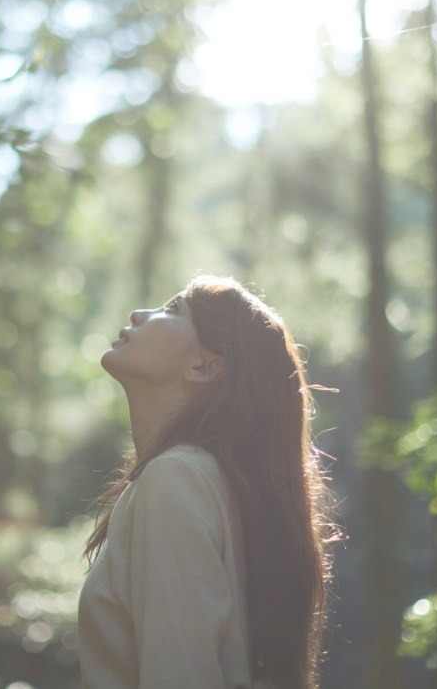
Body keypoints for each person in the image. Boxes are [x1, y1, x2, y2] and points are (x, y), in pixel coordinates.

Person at [78, 274, 332, 689]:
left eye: (172, 309)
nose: (139, 314)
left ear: (205, 366)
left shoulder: (175, 478)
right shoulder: (203, 479)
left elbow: (179, 675)